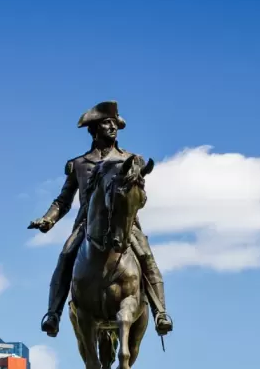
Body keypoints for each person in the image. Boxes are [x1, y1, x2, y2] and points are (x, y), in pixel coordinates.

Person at [30, 101, 172, 339]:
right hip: (88, 226)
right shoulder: (79, 164)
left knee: (147, 257)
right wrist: (48, 219)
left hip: (124, 225)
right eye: (107, 123)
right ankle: (53, 314)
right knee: (65, 257)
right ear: (95, 129)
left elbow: (139, 195)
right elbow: (63, 201)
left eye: (115, 123)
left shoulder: (131, 159)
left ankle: (160, 313)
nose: (113, 127)